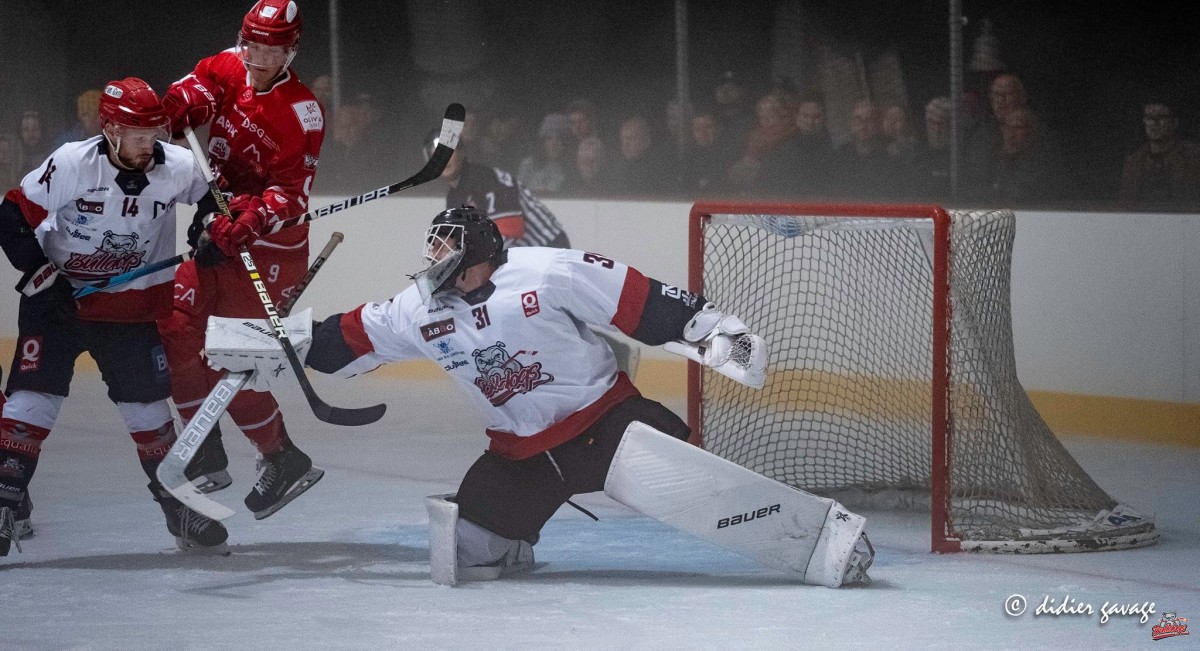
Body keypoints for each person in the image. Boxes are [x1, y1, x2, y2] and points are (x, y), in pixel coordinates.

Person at [204, 207, 873, 587]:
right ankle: (513, 538)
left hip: (607, 424)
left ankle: (831, 541)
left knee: (704, 490)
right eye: (431, 248)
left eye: (447, 251)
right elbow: (344, 338)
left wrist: (709, 328)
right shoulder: (419, 308)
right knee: (462, 555)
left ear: (482, 257)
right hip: (523, 456)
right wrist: (272, 343)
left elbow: (636, 299)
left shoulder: (546, 272)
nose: (433, 262)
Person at [0, 78, 227, 555]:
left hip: (131, 307)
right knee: (29, 405)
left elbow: (213, 202)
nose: (150, 145)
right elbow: (11, 216)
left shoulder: (180, 165)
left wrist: (209, 232)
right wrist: (44, 276)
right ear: (109, 129)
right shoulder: (71, 164)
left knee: (148, 414)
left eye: (155, 133)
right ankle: (6, 502)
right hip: (60, 303)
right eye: (137, 134)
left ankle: (178, 507)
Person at [155, 0, 327, 520]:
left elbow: (292, 193)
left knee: (231, 360)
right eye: (253, 45)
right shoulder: (231, 64)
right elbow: (195, 91)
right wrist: (178, 105)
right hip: (218, 220)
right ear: (242, 38)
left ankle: (283, 458)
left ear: (291, 51)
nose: (259, 58)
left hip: (270, 246)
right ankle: (203, 447)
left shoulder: (303, 111)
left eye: (272, 51)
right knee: (174, 324)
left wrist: (252, 220)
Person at [424, 128, 568, 248]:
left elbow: (511, 229)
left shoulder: (485, 179)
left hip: (549, 249)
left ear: (461, 153)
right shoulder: (454, 197)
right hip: (522, 258)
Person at [1118, 99, 1200, 207]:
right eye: (1149, 118)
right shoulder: (1134, 161)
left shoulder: (1193, 157)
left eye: (1161, 117)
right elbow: (1125, 202)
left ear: (1174, 122)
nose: (1154, 123)